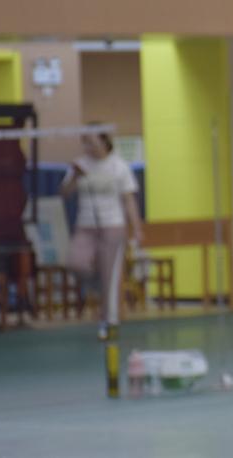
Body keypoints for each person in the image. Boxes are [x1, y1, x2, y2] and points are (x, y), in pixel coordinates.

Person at [61, 130, 142, 340]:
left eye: (91, 142)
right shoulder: (79, 165)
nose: (87, 146)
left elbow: (129, 199)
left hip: (112, 225)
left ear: (104, 142)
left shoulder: (119, 166)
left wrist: (136, 228)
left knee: (111, 277)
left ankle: (109, 322)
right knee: (75, 263)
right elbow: (64, 193)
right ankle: (96, 285)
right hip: (85, 225)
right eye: (84, 142)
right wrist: (75, 176)